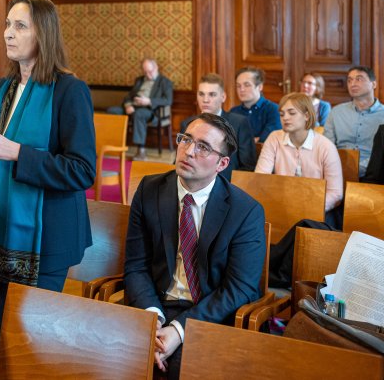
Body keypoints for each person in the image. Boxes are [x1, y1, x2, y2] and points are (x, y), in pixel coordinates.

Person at [0, 0, 96, 351]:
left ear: (43, 33)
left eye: (20, 26)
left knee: (30, 346)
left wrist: (19, 154)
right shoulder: (4, 87)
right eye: (7, 25)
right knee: (2, 341)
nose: (8, 33)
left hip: (46, 241)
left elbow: (82, 171)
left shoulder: (69, 90)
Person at [124, 113, 265, 379]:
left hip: (209, 312)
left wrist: (179, 330)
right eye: (186, 140)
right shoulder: (149, 190)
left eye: (203, 147)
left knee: (180, 370)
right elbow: (136, 265)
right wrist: (154, 320)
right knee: (104, 356)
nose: (189, 151)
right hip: (155, 303)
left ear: (222, 163)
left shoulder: (245, 211)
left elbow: (239, 288)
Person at [256, 92, 343, 213]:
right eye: (282, 114)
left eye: (292, 113)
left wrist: (309, 209)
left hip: (316, 208)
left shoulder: (326, 146)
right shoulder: (274, 138)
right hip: (280, 205)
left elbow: (335, 193)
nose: (285, 118)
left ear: (306, 116)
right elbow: (260, 177)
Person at [180, 73, 256, 180]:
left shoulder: (239, 123)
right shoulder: (187, 123)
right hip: (193, 181)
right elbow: (180, 158)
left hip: (227, 183)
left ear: (223, 97)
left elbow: (248, 166)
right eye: (201, 94)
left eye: (212, 95)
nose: (205, 100)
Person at [107, 58, 173, 160]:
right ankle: (113, 145)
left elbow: (168, 100)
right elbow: (128, 97)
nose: (148, 75)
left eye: (150, 71)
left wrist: (149, 101)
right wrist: (128, 105)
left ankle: (141, 151)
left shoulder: (165, 82)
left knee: (139, 113)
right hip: (133, 108)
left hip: (151, 111)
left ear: (156, 67)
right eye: (145, 72)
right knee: (112, 111)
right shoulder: (139, 80)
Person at [324, 65, 384, 177]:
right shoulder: (336, 112)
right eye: (349, 80)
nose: (353, 84)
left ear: (373, 84)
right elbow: (327, 147)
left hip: (375, 174)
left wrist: (357, 169)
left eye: (359, 79)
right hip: (337, 171)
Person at [230, 66, 281, 143]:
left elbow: (269, 138)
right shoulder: (233, 112)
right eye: (238, 86)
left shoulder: (273, 109)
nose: (241, 89)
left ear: (260, 87)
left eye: (247, 85)